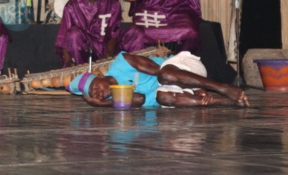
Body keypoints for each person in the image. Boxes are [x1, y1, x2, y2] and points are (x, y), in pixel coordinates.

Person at [68, 51, 249, 108]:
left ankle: (223, 88)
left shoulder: (122, 62)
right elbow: (140, 99)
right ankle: (225, 101)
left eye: (94, 87)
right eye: (94, 95)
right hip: (180, 88)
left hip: (183, 67)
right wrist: (102, 104)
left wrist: (194, 87)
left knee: (164, 76)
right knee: (162, 98)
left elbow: (158, 70)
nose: (97, 92)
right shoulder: (114, 99)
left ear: (99, 76)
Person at [55, 0, 122, 66]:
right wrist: (68, 61)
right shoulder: (72, 5)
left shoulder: (112, 2)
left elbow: (115, 32)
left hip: (103, 48)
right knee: (73, 33)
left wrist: (109, 54)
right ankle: (79, 71)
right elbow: (64, 37)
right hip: (80, 50)